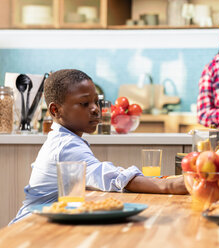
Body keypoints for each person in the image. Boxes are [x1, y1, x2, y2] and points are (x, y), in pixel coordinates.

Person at [11, 69, 187, 224]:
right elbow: (108, 177)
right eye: (84, 103)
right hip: (30, 227)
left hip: (44, 223)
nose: (96, 109)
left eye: (96, 102)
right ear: (56, 110)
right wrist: (172, 185)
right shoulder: (65, 145)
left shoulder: (68, 139)